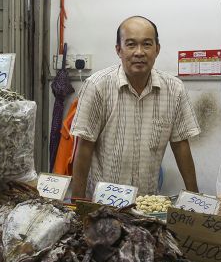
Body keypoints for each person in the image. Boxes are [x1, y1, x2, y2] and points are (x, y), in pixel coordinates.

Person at [70, 16, 200, 199]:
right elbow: (84, 147)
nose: (139, 52)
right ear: (119, 50)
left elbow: (181, 146)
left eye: (147, 44)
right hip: (102, 202)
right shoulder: (97, 86)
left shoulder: (174, 89)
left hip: (147, 203)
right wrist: (77, 203)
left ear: (157, 49)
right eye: (131, 44)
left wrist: (195, 199)